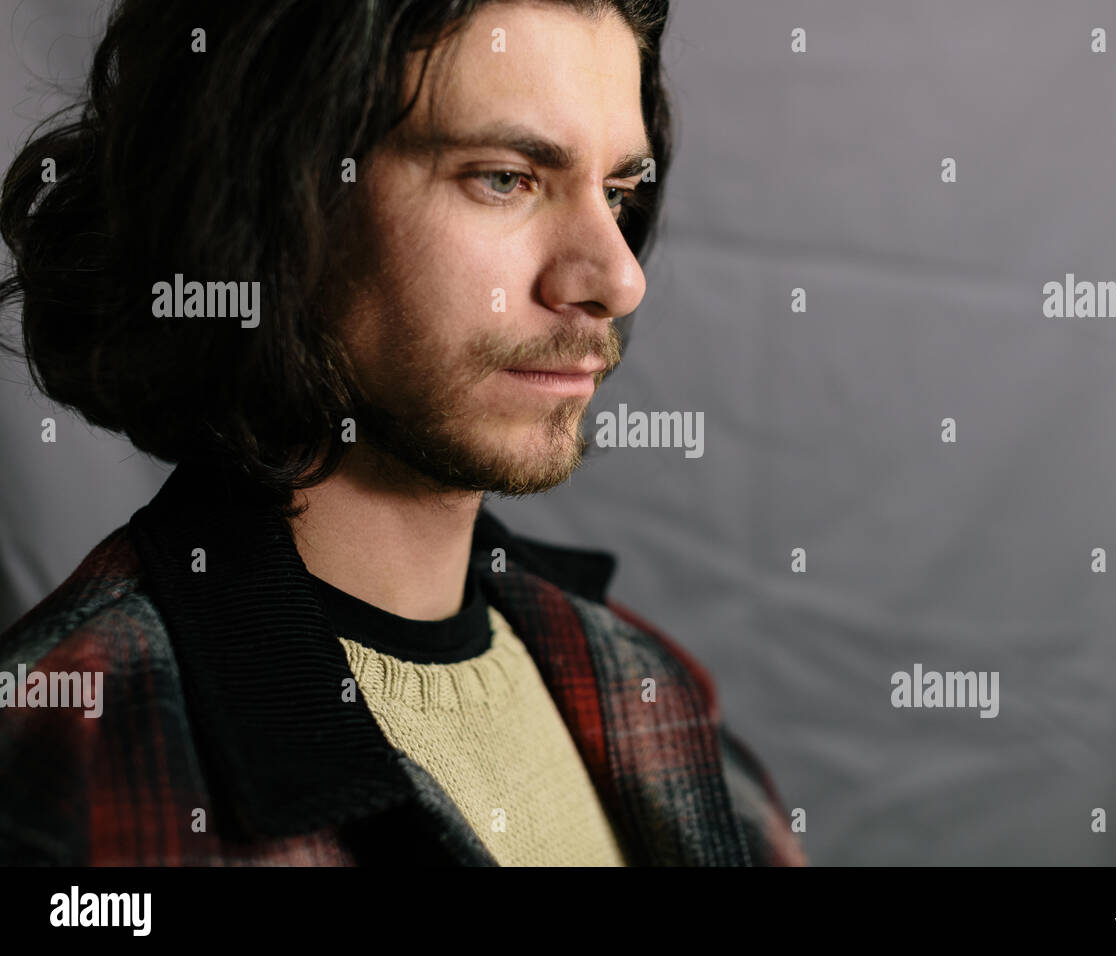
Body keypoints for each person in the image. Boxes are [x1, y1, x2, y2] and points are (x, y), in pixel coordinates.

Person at [0, 0, 807, 866]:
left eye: (615, 192)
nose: (616, 277)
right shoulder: (76, 744)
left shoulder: (647, 687)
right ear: (268, 205)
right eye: (505, 177)